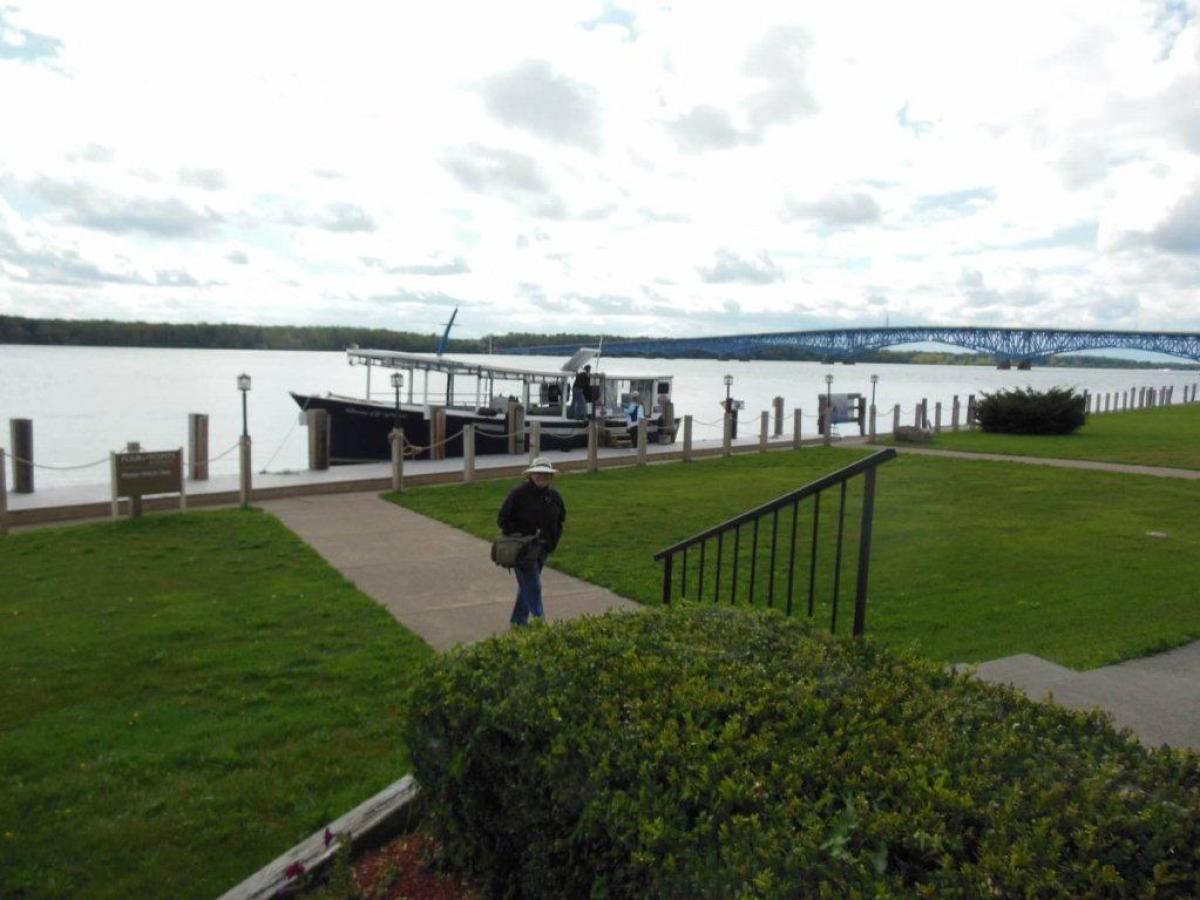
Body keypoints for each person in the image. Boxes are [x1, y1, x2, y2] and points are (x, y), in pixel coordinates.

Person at [497, 456, 567, 626]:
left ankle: (518, 620)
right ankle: (539, 622)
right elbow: (503, 519)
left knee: (527, 586)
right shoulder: (518, 494)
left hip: (543, 549)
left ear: (550, 477)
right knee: (533, 586)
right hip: (523, 550)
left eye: (545, 474)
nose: (542, 477)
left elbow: (560, 518)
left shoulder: (554, 496)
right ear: (531, 475)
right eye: (538, 474)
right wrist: (523, 534)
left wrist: (551, 541)